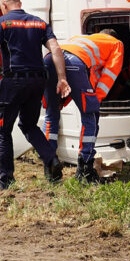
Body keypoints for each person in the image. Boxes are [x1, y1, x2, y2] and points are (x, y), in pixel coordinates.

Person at [0, 0, 70, 191]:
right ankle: (51, 159)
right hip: (38, 81)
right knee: (28, 125)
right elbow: (56, 49)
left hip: (14, 81)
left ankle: (6, 180)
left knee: (2, 129)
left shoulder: (2, 22)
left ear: (4, 5)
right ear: (19, 3)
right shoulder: (40, 23)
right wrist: (62, 78)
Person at [42, 29, 124, 183]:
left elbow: (87, 78)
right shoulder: (115, 43)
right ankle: (85, 170)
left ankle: (50, 166)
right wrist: (95, 100)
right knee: (90, 115)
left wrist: (62, 100)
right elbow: (110, 73)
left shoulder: (80, 39)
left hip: (48, 59)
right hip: (73, 62)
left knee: (51, 114)